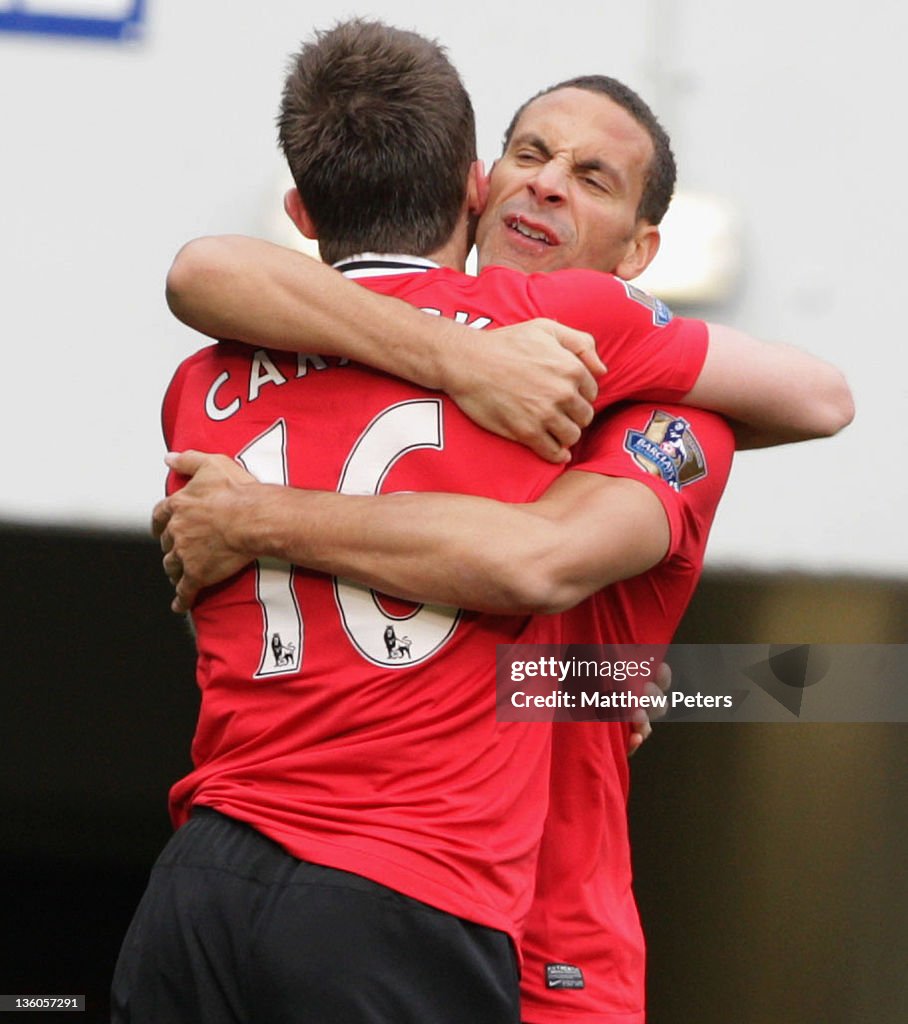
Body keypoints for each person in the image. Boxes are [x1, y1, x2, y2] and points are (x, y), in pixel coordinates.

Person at [139, 22, 853, 1024]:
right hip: (398, 894)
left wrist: (255, 516)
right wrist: (461, 356)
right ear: (476, 188)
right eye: (530, 153)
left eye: (593, 177)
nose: (549, 182)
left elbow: (536, 570)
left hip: (550, 951)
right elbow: (200, 270)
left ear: (643, 249)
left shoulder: (672, 422)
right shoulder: (386, 338)